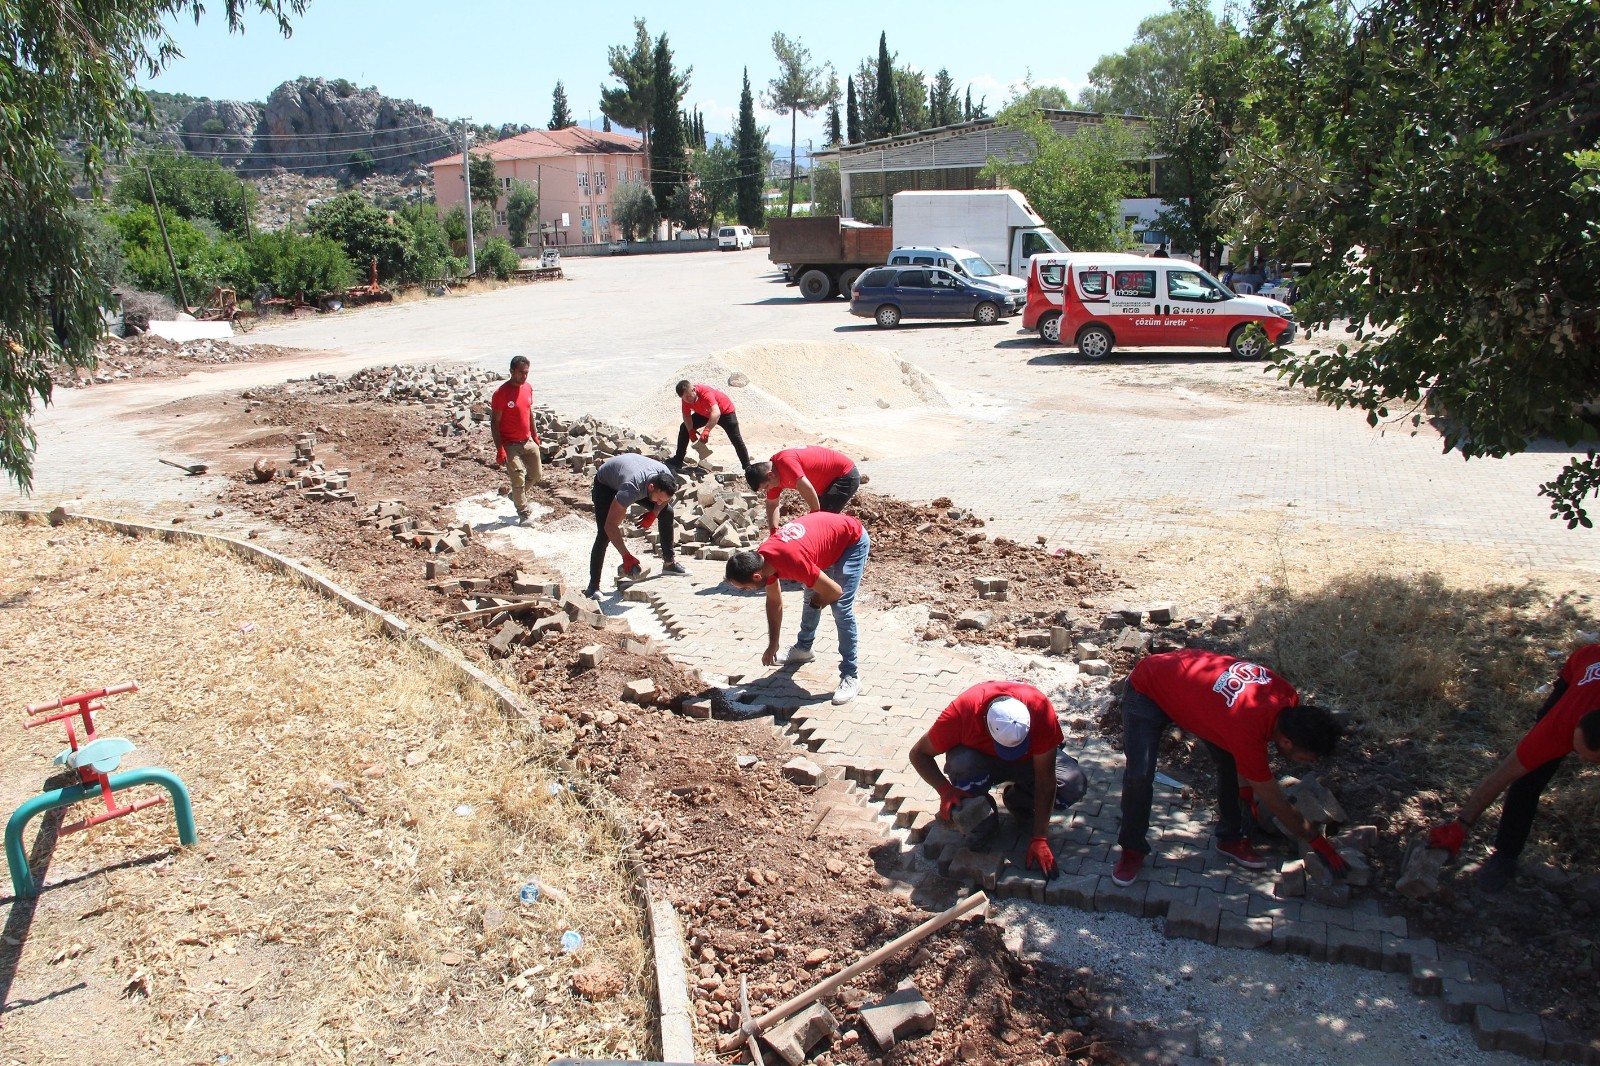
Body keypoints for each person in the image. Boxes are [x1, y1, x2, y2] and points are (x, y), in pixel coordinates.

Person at [1113, 648, 1347, 887]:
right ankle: (1132, 851)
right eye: (1308, 758)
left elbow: (1245, 767)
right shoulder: (1248, 727)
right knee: (1139, 775)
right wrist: (1316, 841)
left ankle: (1230, 839)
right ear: (1287, 742)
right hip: (1148, 688)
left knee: (1230, 763)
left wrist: (1245, 794)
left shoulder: (1286, 696)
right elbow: (1275, 800)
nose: (1310, 762)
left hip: (1193, 697)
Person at [1425, 644, 1600, 890]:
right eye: (1578, 751)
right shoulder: (1556, 729)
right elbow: (1501, 776)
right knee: (1528, 779)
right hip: (1586, 662)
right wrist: (1460, 826)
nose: (1580, 762)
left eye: (1591, 760)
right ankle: (1505, 855)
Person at [910, 681, 1088, 879]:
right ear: (986, 722)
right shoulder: (962, 713)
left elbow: (1046, 780)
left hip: (1029, 762)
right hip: (981, 762)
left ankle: (1017, 800)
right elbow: (918, 754)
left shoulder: (1038, 708)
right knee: (961, 764)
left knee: (1073, 784)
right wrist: (945, 790)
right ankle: (984, 818)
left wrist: (1040, 837)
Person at [723, 511, 869, 705]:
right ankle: (804, 648)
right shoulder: (763, 560)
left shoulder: (791, 561)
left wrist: (818, 602)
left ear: (757, 577)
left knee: (840, 608)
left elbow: (835, 592)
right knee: (812, 591)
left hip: (851, 540)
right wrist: (773, 643)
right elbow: (774, 602)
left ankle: (851, 676)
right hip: (825, 542)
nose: (746, 591)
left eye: (745, 588)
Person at [587, 454, 686, 599]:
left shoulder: (665, 476)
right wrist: (626, 556)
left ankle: (669, 563)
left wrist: (654, 513)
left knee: (667, 512)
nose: (659, 502)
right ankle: (593, 586)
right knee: (604, 534)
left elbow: (665, 500)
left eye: (662, 500)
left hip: (631, 473)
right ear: (651, 487)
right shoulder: (631, 487)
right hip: (606, 484)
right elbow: (611, 526)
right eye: (657, 499)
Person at [745, 445, 860, 532]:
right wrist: (773, 532)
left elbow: (805, 486)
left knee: (822, 522)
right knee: (819, 523)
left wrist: (815, 514)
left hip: (844, 475)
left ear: (770, 475)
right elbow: (771, 504)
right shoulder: (774, 478)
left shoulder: (785, 462)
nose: (768, 490)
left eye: (766, 487)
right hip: (824, 484)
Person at [490, 356, 541, 524]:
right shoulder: (501, 393)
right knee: (518, 477)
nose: (524, 376)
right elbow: (495, 422)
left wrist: (534, 434)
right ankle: (523, 512)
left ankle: (515, 496)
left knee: (536, 475)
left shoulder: (528, 388)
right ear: (511, 371)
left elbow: (529, 412)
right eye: (521, 373)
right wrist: (500, 448)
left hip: (527, 441)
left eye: (526, 373)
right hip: (510, 444)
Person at [671, 380, 752, 471]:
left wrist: (707, 430)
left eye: (689, 396)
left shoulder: (705, 392)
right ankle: (678, 460)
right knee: (684, 428)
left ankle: (747, 467)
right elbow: (686, 415)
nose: (689, 399)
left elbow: (716, 412)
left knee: (736, 439)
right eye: (685, 398)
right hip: (705, 412)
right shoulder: (685, 400)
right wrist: (690, 430)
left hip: (725, 412)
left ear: (693, 390)